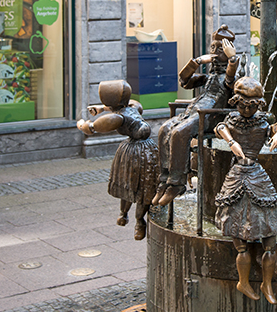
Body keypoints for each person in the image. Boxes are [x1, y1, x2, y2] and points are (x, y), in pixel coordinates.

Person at [213, 76, 277, 304]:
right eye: (243, 105)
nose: (247, 109)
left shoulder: (264, 121)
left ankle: (267, 284)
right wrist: (230, 141)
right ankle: (243, 282)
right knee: (239, 236)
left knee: (271, 237)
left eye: (252, 105)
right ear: (236, 101)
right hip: (237, 177)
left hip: (257, 176)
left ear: (259, 104)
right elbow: (219, 126)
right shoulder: (231, 120)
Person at [153, 25, 240, 207]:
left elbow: (231, 79)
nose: (214, 51)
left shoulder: (230, 76)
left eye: (219, 48)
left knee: (179, 133)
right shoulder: (208, 77)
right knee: (165, 129)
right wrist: (197, 61)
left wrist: (232, 58)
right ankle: (164, 181)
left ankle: (177, 184)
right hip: (193, 112)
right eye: (212, 47)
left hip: (212, 117)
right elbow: (184, 80)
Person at [77, 80, 157, 240]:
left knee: (139, 186)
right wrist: (102, 108)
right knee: (134, 183)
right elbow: (130, 102)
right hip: (148, 148)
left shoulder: (117, 118)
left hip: (136, 150)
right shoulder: (134, 107)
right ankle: (130, 217)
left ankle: (134, 219)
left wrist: (80, 123)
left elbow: (90, 128)